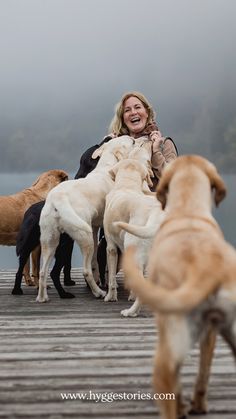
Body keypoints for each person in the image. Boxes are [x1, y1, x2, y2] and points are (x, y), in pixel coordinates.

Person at [107, 91, 178, 189]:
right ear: (123, 118)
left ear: (147, 113)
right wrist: (107, 147)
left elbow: (173, 180)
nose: (133, 112)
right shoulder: (114, 144)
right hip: (120, 201)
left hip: (152, 202)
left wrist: (156, 151)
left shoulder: (164, 144)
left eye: (137, 107)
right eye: (127, 110)